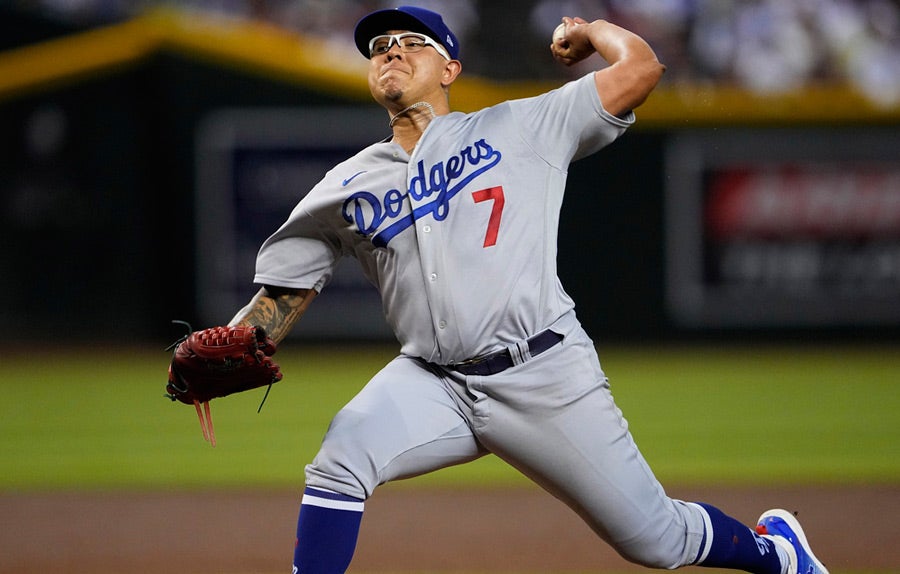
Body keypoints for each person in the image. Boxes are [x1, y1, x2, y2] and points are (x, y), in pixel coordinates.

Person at [225, 6, 829, 574]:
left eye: (414, 44)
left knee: (657, 540)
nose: (393, 53)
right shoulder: (348, 184)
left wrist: (592, 31)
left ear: (450, 69)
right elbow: (286, 289)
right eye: (381, 47)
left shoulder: (522, 125)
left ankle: (776, 555)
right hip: (434, 380)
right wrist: (240, 338)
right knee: (340, 459)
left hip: (543, 373)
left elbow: (643, 69)